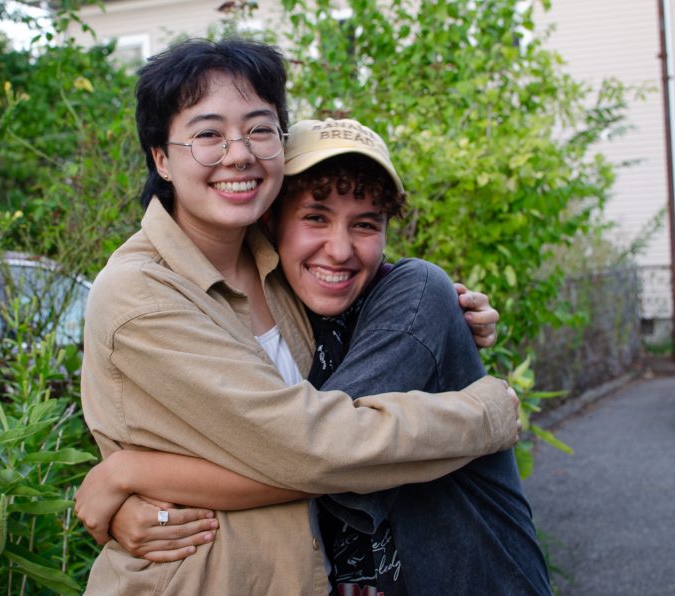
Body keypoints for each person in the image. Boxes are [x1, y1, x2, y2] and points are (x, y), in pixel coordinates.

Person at [78, 38, 520, 595]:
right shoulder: (140, 295)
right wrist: (485, 416)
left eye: (259, 129)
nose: (238, 153)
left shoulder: (273, 269)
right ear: (161, 158)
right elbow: (309, 452)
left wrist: (450, 316)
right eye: (208, 133)